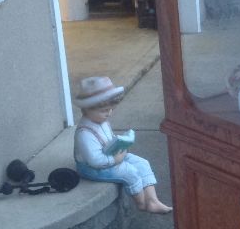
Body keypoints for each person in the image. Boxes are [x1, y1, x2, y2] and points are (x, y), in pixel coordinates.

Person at [73, 76, 172, 214]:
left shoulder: (101, 121)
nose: (108, 114)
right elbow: (95, 160)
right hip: (92, 167)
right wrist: (116, 159)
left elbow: (108, 139)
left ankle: (152, 200)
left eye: (110, 109)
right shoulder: (85, 134)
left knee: (142, 163)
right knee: (129, 172)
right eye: (104, 111)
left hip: (110, 155)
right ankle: (142, 203)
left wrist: (120, 143)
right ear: (86, 109)